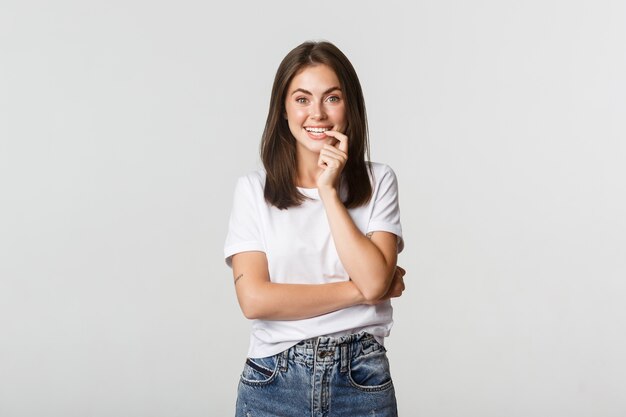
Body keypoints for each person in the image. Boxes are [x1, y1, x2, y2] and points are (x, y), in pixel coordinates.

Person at [224, 40, 406, 417]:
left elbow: (375, 283)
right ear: (283, 109)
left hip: (360, 379)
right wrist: (361, 291)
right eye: (302, 99)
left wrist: (327, 191)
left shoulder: (379, 181)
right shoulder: (253, 191)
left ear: (350, 107)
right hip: (273, 380)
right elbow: (255, 300)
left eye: (332, 98)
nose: (318, 114)